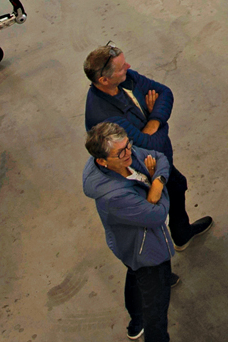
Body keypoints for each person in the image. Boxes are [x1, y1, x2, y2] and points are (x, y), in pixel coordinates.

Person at [84, 44, 213, 250]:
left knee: (177, 186)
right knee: (154, 214)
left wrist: (153, 121)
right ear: (104, 80)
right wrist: (160, 122)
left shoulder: (126, 78)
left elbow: (165, 92)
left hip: (155, 160)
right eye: (121, 67)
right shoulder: (104, 117)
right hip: (138, 172)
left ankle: (180, 234)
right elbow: (151, 145)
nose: (128, 66)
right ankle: (158, 261)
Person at [83, 122, 178, 342]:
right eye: (121, 152)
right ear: (102, 161)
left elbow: (160, 157)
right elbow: (157, 215)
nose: (129, 153)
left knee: (135, 276)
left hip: (133, 245)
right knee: (156, 310)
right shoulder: (114, 196)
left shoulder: (121, 154)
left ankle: (136, 322)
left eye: (128, 145)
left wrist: (157, 182)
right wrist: (158, 188)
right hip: (147, 251)